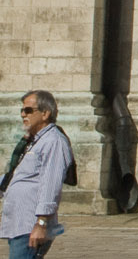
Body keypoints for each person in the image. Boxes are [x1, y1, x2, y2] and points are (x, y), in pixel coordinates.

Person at [2, 90, 73, 259]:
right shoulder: (33, 142)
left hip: (30, 225)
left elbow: (51, 184)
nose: (22, 115)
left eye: (28, 110)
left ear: (45, 113)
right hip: (18, 225)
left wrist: (41, 223)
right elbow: (18, 178)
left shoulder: (53, 141)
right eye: (22, 110)